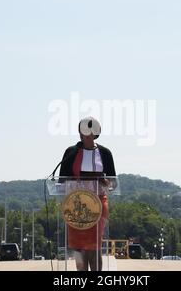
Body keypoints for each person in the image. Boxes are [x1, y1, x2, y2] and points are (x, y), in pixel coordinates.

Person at [59, 116, 116, 271]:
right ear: (80, 133)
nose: (88, 136)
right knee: (79, 245)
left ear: (96, 133)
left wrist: (105, 182)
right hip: (76, 202)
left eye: (91, 132)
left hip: (97, 203)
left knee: (94, 243)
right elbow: (61, 181)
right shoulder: (71, 152)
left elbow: (113, 182)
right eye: (85, 132)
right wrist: (74, 181)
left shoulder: (105, 153)